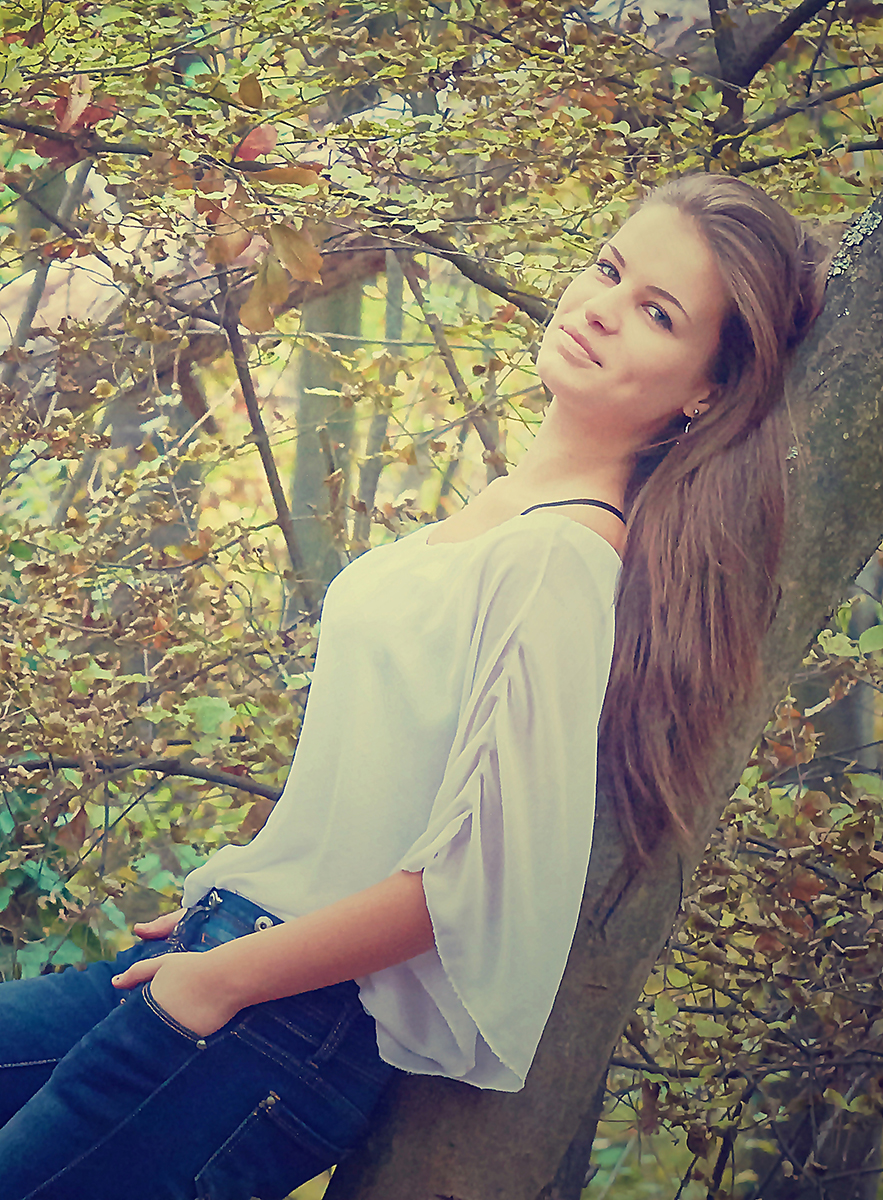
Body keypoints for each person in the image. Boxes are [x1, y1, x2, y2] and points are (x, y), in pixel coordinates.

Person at [0, 174, 831, 1200]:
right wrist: (253, 907)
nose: (603, 307)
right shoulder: (504, 512)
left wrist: (230, 975)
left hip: (279, 1020)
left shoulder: (560, 560)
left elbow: (470, 884)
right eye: (608, 269)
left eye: (658, 313)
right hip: (235, 958)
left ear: (707, 389)